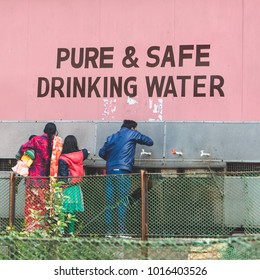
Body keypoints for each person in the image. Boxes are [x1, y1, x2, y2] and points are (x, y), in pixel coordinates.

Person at [99, 120, 153, 237]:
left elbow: (101, 153)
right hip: (123, 171)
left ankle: (109, 232)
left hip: (110, 171)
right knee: (122, 201)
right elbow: (150, 142)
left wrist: (112, 160)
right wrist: (136, 134)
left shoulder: (111, 137)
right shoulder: (132, 133)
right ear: (133, 128)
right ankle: (122, 231)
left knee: (110, 202)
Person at [16, 122, 60, 231]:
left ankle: (30, 230)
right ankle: (44, 230)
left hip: (34, 178)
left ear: (44, 130)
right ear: (55, 131)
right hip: (49, 180)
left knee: (31, 206)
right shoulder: (58, 142)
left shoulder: (36, 140)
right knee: (44, 207)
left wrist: (32, 154)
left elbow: (22, 149)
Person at [58, 135, 89, 235]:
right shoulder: (81, 154)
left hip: (66, 187)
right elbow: (86, 151)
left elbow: (63, 175)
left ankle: (61, 230)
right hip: (76, 186)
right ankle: (71, 231)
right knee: (72, 210)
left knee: (62, 209)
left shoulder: (63, 158)